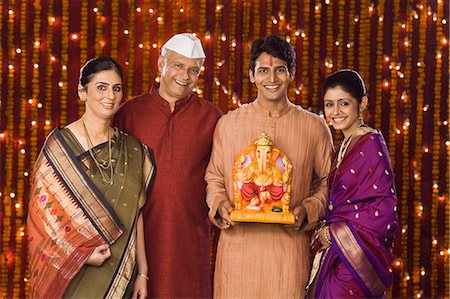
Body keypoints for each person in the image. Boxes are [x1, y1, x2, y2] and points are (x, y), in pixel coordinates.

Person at [205, 35, 334, 298]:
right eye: (263, 70)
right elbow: (214, 177)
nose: (271, 78)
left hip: (288, 254)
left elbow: (329, 183)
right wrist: (221, 204)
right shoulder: (229, 124)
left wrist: (308, 210)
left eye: (279, 70)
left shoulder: (313, 127)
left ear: (291, 74)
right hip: (237, 255)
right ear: (252, 75)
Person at [27, 56, 155, 299]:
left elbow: (136, 212)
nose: (110, 95)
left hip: (121, 271)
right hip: (73, 276)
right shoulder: (60, 147)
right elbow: (43, 220)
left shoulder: (133, 149)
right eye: (101, 87)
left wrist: (143, 272)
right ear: (82, 92)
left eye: (116, 88)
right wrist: (82, 255)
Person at [113, 33, 223, 298]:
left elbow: (222, 176)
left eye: (193, 70)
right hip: (138, 237)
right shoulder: (128, 113)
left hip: (191, 238)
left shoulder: (213, 117)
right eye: (178, 65)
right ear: (160, 63)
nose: (184, 76)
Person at [305, 69, 399, 298]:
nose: (335, 112)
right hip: (337, 255)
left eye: (343, 104)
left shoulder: (370, 144)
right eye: (329, 105)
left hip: (354, 258)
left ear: (362, 103)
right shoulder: (346, 145)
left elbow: (384, 209)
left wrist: (334, 233)